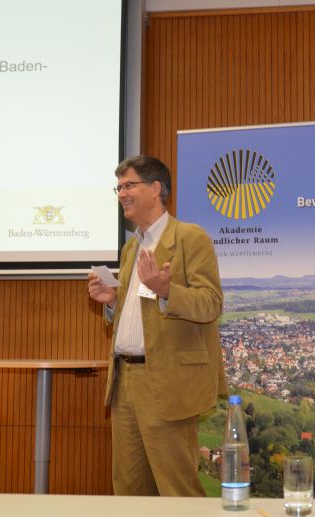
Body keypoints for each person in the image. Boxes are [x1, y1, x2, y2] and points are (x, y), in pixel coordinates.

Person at [88, 155, 227, 497]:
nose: (122, 194)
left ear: (155, 188)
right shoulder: (131, 248)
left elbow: (211, 303)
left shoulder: (190, 238)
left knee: (177, 490)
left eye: (129, 185)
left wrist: (167, 290)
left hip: (166, 382)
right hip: (125, 381)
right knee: (129, 490)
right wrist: (112, 301)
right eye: (119, 188)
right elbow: (137, 313)